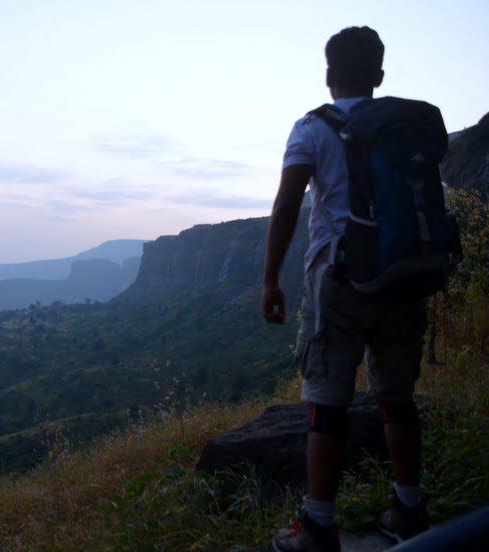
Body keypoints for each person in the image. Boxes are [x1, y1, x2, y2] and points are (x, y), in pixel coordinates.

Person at [261, 26, 431, 552]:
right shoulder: (409, 125)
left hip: (338, 277)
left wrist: (270, 278)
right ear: (379, 76)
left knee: (327, 405)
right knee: (397, 398)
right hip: (405, 273)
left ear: (329, 75)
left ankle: (317, 525)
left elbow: (289, 204)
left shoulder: (313, 127)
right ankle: (409, 509)